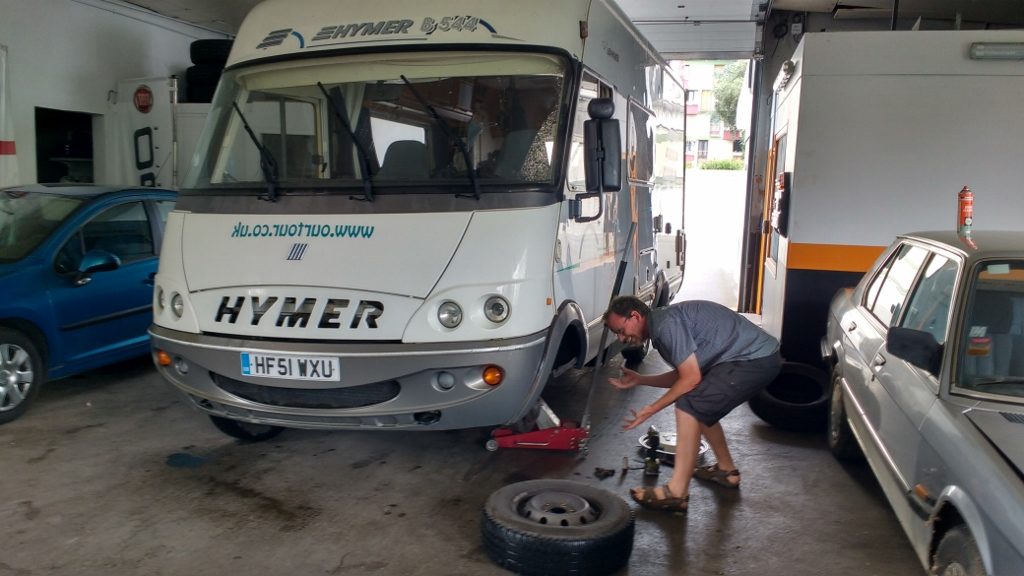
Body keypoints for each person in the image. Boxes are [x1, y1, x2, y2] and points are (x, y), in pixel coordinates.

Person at [603, 296, 781, 513]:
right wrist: (641, 380)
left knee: (689, 405)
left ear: (635, 316)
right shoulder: (661, 324)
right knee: (698, 401)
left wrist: (650, 409)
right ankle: (727, 471)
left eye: (620, 330)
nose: (621, 338)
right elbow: (685, 374)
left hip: (754, 359)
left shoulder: (665, 326)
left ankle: (676, 492)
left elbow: (690, 379)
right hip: (753, 358)